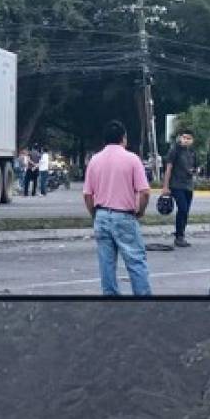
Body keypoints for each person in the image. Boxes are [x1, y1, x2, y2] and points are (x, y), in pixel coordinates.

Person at [82, 120, 152, 296]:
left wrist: (94, 214)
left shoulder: (94, 160)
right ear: (124, 138)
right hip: (125, 216)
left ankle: (111, 302)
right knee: (135, 261)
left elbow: (87, 194)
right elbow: (144, 192)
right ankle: (144, 302)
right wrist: (140, 211)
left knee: (106, 264)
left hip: (102, 215)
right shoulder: (132, 159)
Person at [163, 129, 197, 248]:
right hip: (176, 185)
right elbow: (169, 168)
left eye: (189, 138)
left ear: (192, 140)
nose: (186, 140)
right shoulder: (175, 150)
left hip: (188, 185)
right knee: (182, 208)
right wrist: (165, 186)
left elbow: (194, 167)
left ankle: (181, 233)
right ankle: (179, 237)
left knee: (186, 211)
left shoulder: (192, 152)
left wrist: (193, 171)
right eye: (184, 137)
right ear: (180, 138)